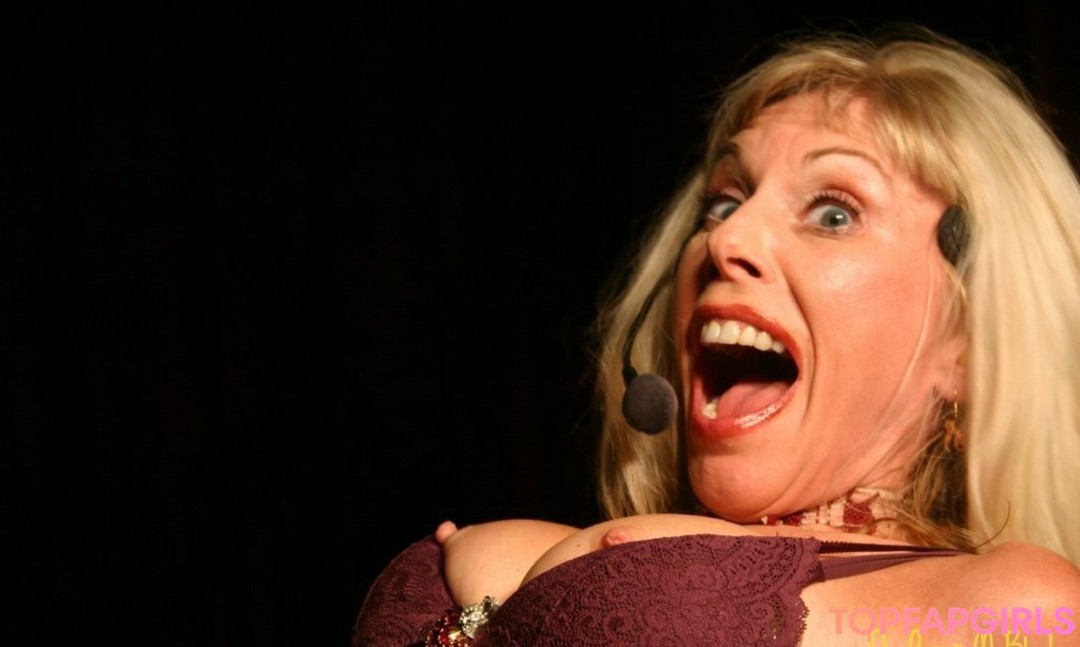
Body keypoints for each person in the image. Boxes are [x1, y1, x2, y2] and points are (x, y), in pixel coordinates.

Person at [354, 26, 1080, 646]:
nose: (728, 239)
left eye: (834, 213)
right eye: (724, 203)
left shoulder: (1018, 608)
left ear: (969, 347)